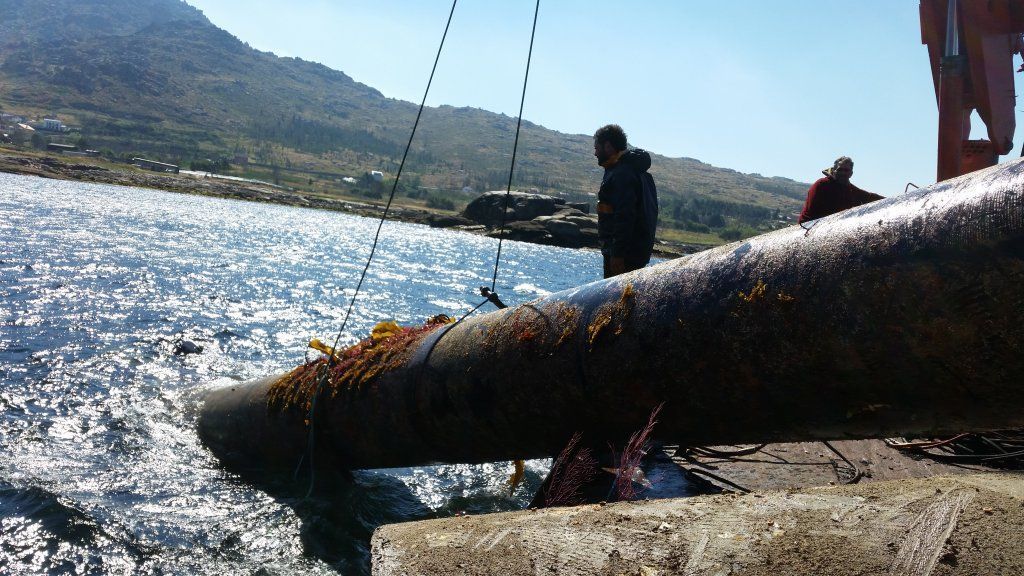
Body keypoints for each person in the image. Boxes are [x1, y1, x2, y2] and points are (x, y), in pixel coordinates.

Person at [593, 124, 658, 278]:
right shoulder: (635, 171)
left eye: (597, 148)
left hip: (623, 256)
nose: (595, 153)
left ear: (608, 146)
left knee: (617, 292)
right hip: (636, 253)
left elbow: (625, 215)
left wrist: (617, 254)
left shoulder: (621, 174)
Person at [798, 156, 884, 224]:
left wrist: (890, 201)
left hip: (832, 225)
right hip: (810, 226)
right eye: (840, 170)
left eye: (846, 170)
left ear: (851, 173)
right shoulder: (822, 184)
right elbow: (811, 212)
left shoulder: (850, 189)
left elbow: (868, 196)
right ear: (834, 171)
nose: (843, 173)